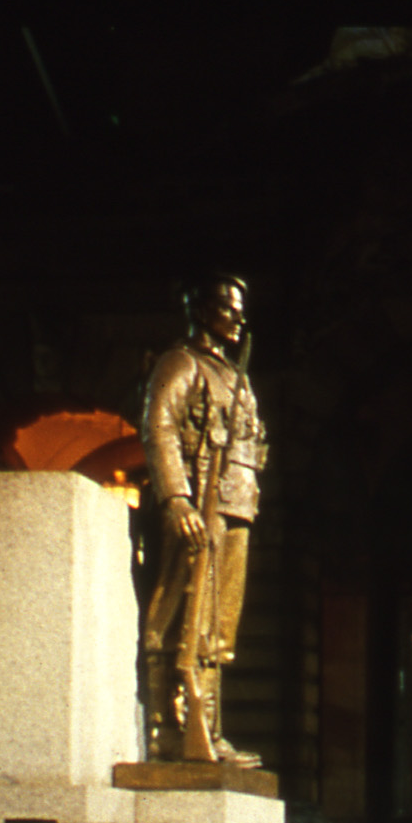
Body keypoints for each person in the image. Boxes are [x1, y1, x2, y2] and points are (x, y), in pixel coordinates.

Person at [137, 273, 267, 763]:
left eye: (240, 308)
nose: (238, 317)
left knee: (217, 625)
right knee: (179, 613)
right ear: (201, 310)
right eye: (227, 307)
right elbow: (159, 425)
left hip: (236, 504)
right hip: (201, 502)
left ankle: (207, 729)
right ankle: (168, 727)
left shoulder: (235, 375)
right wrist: (176, 499)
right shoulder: (181, 362)